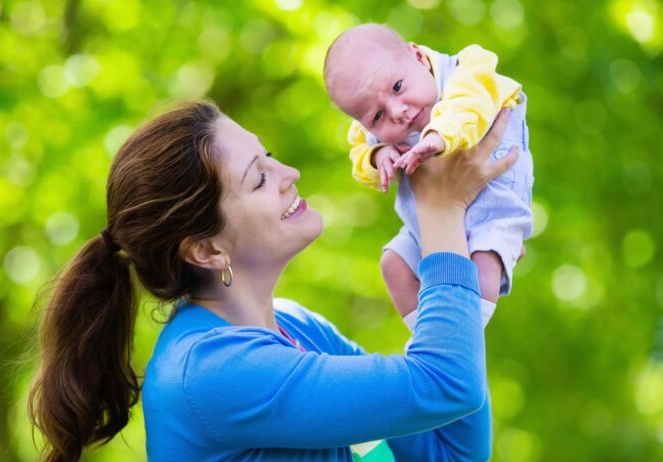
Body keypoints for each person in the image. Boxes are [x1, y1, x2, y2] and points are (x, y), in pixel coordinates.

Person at [27, 100, 519, 461]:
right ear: (205, 248)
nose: (289, 172)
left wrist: (428, 302)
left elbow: (451, 449)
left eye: (268, 158)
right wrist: (440, 214)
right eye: (258, 178)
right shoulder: (209, 373)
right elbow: (447, 384)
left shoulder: (298, 330)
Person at [323, 23, 534, 334]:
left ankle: (461, 342)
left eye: (396, 87)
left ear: (418, 56)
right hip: (426, 224)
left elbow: (471, 104)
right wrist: (377, 156)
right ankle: (429, 341)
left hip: (494, 206)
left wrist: (439, 136)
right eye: (376, 117)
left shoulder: (470, 69)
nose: (397, 111)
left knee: (483, 267)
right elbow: (358, 152)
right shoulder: (372, 129)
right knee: (392, 265)